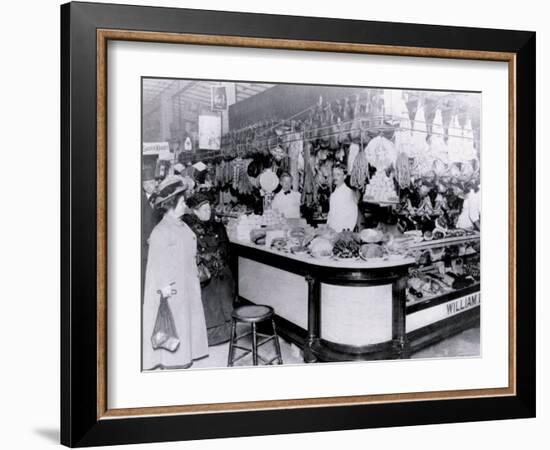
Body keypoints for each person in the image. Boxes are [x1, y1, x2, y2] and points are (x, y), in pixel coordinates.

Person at [142, 176, 209, 370]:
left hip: (186, 281)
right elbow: (156, 264)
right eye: (182, 201)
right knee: (173, 325)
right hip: (173, 286)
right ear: (172, 204)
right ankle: (172, 362)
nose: (185, 204)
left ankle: (184, 357)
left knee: (185, 322)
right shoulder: (161, 231)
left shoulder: (181, 224)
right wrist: (164, 287)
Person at [182, 193, 235, 346]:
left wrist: (220, 261)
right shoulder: (189, 228)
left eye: (209, 209)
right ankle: (209, 337)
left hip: (221, 271)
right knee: (209, 301)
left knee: (225, 294)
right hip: (203, 273)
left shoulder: (218, 226)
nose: (208, 212)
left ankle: (228, 332)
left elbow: (226, 248)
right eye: (204, 210)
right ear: (195, 211)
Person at [327, 165, 359, 232]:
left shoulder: (349, 193)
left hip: (343, 232)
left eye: (338, 174)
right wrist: (328, 226)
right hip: (332, 232)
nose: (335, 177)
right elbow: (330, 214)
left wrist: (346, 233)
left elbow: (353, 215)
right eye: (334, 174)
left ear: (344, 176)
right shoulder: (333, 195)